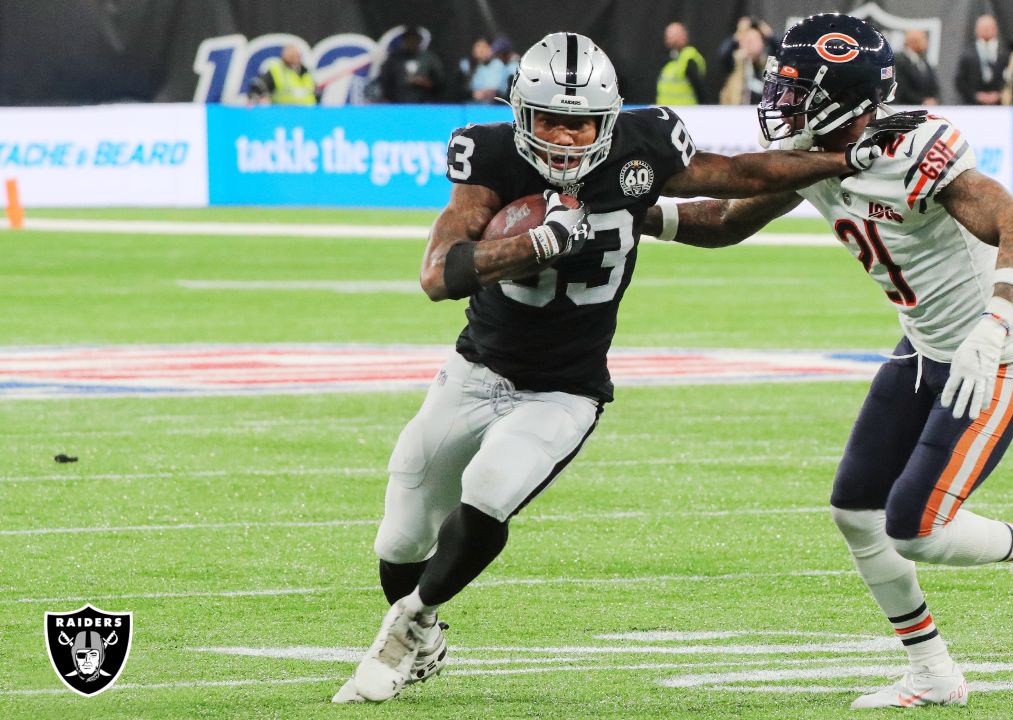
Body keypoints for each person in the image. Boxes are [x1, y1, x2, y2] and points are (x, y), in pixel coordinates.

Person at [331, 30, 909, 704]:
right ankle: (424, 638)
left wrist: (835, 160)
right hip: (475, 369)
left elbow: (738, 179)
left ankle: (411, 625)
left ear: (608, 119)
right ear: (521, 114)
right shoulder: (486, 153)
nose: (568, 137)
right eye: (551, 119)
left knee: (489, 489)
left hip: (564, 390)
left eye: (581, 123)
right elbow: (438, 274)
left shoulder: (646, 143)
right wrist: (528, 246)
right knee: (400, 534)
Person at [642, 13, 1013, 709]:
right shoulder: (817, 148)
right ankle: (933, 671)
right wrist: (633, 216)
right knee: (856, 511)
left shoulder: (908, 151)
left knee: (917, 527)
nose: (779, 103)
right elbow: (726, 220)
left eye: (796, 91)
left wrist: (995, 323)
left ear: (845, 99)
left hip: (991, 355)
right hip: (923, 348)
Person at [375, 30, 447, 104]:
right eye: (409, 40)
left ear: (419, 41)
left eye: (414, 40)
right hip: (398, 104)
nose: (412, 43)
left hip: (424, 104)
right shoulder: (394, 60)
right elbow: (385, 81)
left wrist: (425, 82)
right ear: (404, 41)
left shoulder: (430, 58)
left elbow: (440, 81)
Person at [955, 14, 1007, 105]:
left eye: (989, 27)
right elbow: (960, 80)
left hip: (1000, 105)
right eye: (983, 27)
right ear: (976, 30)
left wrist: (1000, 94)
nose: (986, 30)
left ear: (995, 29)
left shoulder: (1004, 53)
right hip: (973, 105)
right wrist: (975, 95)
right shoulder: (967, 54)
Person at [657, 22, 708, 105]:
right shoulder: (667, 58)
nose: (669, 39)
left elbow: (700, 89)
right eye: (668, 36)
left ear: (684, 36)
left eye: (674, 36)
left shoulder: (689, 57)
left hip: (686, 111)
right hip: (666, 111)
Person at [247, 45, 317, 106]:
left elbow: (314, 93)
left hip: (307, 115)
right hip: (283, 115)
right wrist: (260, 97)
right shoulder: (277, 71)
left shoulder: (306, 72)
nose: (295, 57)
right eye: (292, 55)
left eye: (297, 55)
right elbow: (259, 85)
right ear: (284, 56)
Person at [720, 25, 769, 104]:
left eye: (754, 40)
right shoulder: (735, 62)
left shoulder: (768, 64)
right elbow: (723, 54)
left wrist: (770, 35)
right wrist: (737, 36)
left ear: (762, 44)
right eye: (747, 40)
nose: (750, 44)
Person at [894, 29, 940, 106]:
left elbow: (933, 84)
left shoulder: (924, 61)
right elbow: (901, 87)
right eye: (923, 39)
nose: (926, 42)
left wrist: (934, 99)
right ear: (913, 41)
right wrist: (921, 101)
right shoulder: (899, 61)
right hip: (906, 106)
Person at [458, 37, 509, 103]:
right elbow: (459, 89)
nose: (481, 50)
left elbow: (501, 89)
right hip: (469, 106)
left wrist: (489, 93)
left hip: (493, 106)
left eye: (484, 47)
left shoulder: (498, 64)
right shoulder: (465, 66)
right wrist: (473, 94)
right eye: (478, 47)